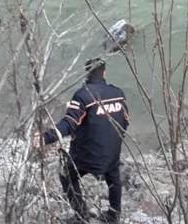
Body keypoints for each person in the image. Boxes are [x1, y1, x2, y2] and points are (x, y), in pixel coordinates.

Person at [32, 58, 130, 223]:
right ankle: (114, 215)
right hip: (111, 154)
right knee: (113, 177)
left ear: (86, 74)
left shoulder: (83, 95)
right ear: (104, 73)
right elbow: (125, 121)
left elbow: (69, 123)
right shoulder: (118, 93)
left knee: (67, 176)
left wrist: (45, 137)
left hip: (86, 156)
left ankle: (81, 215)